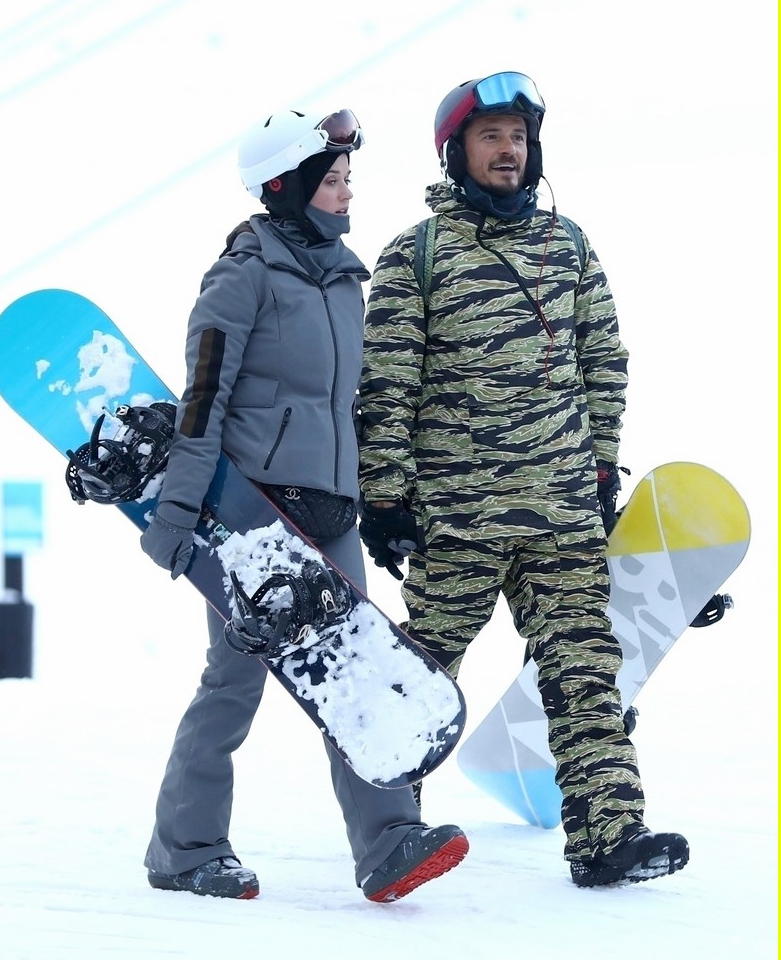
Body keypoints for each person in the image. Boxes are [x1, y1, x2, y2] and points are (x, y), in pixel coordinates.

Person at [357, 72, 689, 888]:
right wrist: (385, 498)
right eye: (491, 137)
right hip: (456, 517)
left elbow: (602, 361)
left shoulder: (566, 243)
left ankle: (609, 835)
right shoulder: (416, 254)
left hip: (560, 514)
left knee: (585, 673)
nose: (508, 151)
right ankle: (386, 833)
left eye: (518, 138)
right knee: (417, 679)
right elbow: (387, 384)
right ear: (456, 153)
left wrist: (600, 466)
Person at [139, 106, 469, 903]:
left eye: (348, 177)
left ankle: (388, 839)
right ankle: (184, 848)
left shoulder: (346, 279)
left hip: (332, 509)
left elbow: (347, 407)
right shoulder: (242, 274)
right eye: (332, 180)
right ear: (285, 186)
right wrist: (175, 516)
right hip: (257, 516)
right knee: (236, 681)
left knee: (358, 671)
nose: (347, 191)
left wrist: (378, 501)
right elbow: (203, 400)